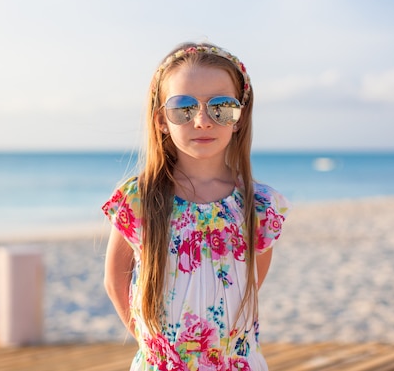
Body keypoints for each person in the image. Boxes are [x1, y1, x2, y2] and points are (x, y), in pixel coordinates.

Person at [102, 42, 291, 371]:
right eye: (183, 108)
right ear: (162, 119)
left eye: (221, 107)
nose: (202, 120)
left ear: (239, 117)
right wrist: (157, 351)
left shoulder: (259, 207)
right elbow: (115, 283)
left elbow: (247, 286)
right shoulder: (140, 199)